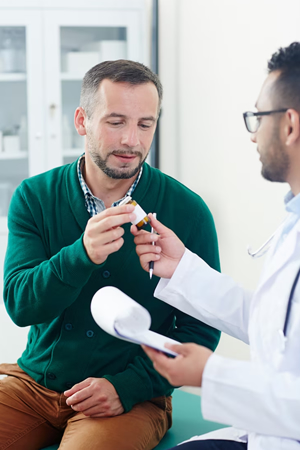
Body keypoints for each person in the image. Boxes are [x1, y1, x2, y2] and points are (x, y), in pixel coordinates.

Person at [0, 60, 221, 450]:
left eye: (145, 124)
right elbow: (20, 305)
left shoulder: (187, 210)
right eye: (116, 122)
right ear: (82, 120)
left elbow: (201, 329)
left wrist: (128, 386)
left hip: (129, 394)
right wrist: (81, 254)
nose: (132, 141)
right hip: (35, 385)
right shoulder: (35, 197)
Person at [132, 42, 300, 450]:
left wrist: (212, 375)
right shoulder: (292, 223)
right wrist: (182, 268)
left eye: (257, 117)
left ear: (291, 125)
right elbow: (273, 325)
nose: (253, 134)